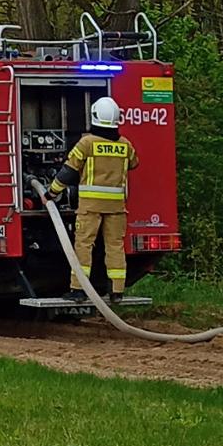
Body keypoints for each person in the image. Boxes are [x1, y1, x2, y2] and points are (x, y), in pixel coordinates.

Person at [46, 97, 139, 302]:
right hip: (116, 207)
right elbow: (134, 163)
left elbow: (68, 172)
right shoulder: (125, 145)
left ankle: (79, 290)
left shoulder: (87, 143)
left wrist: (51, 193)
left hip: (90, 207)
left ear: (95, 117)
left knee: (84, 245)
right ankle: (116, 291)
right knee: (115, 246)